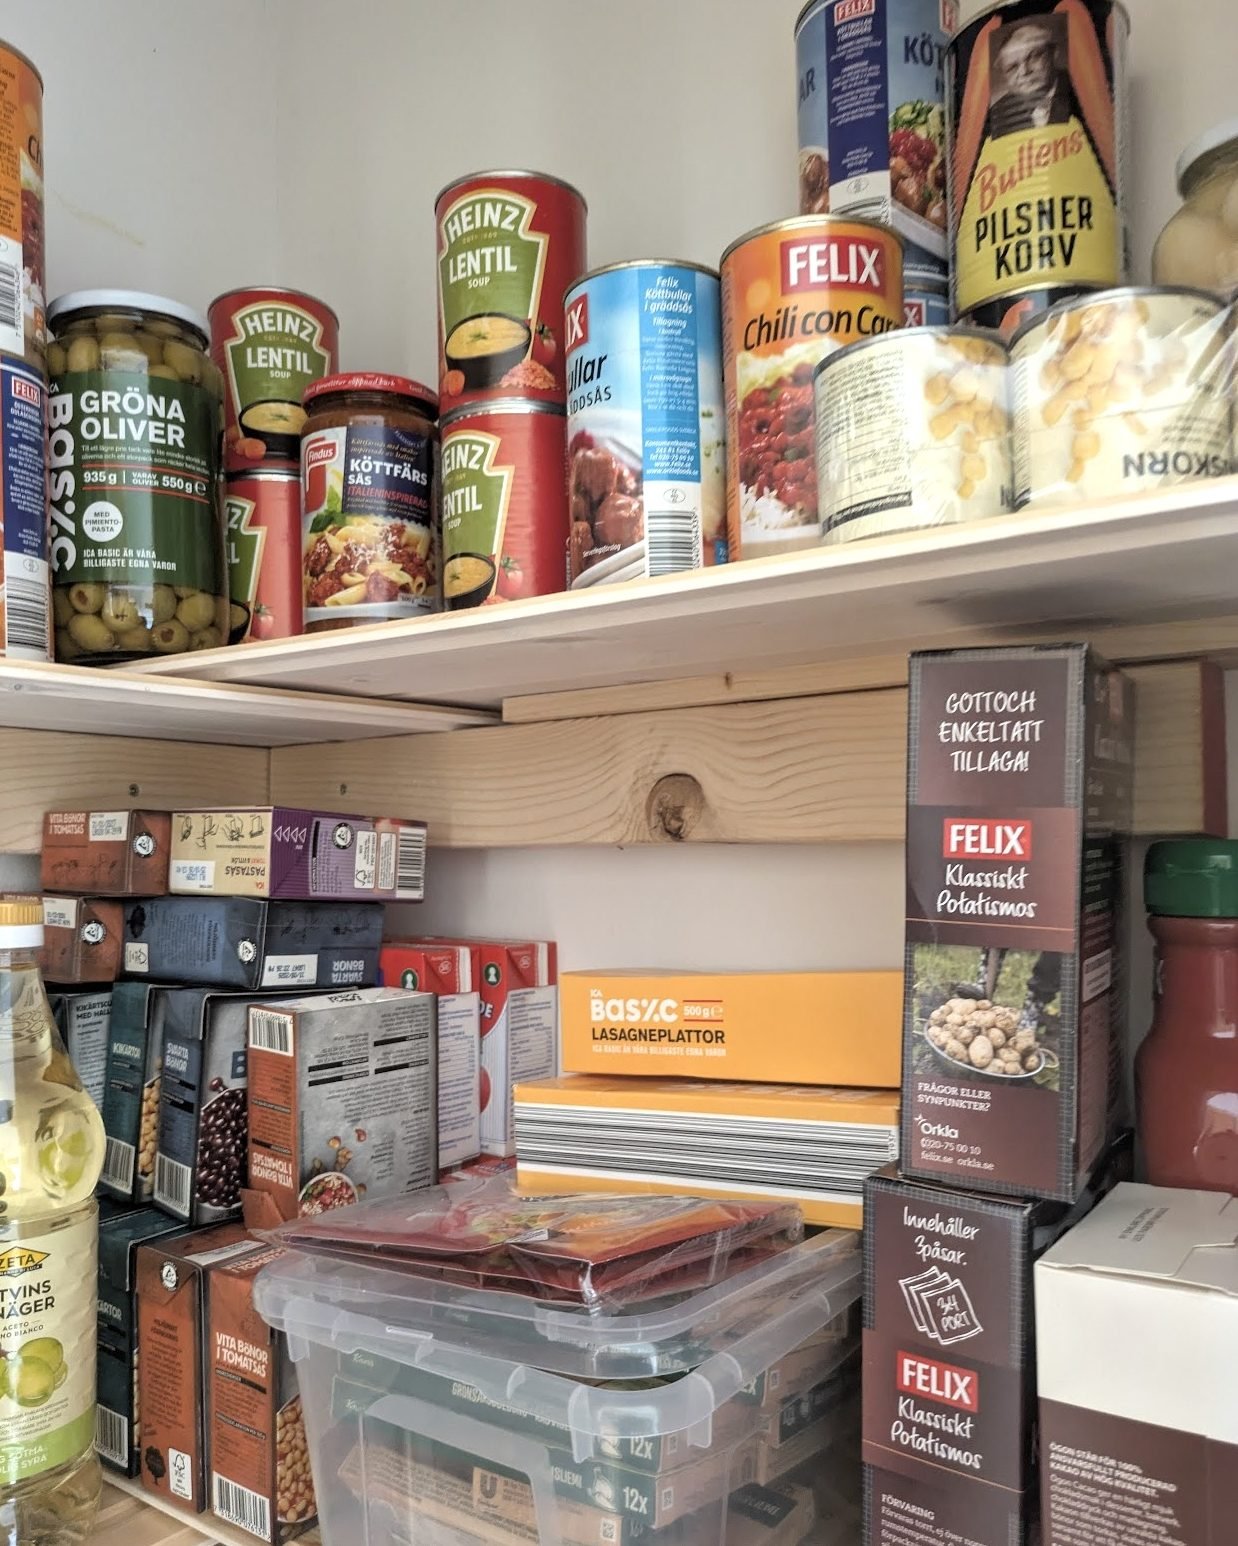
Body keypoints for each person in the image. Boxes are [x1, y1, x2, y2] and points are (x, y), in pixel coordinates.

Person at [987, 19, 1076, 138]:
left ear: (1054, 53)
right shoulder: (998, 113)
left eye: (1033, 57)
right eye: (1012, 67)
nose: (1024, 71)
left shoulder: (1081, 90)